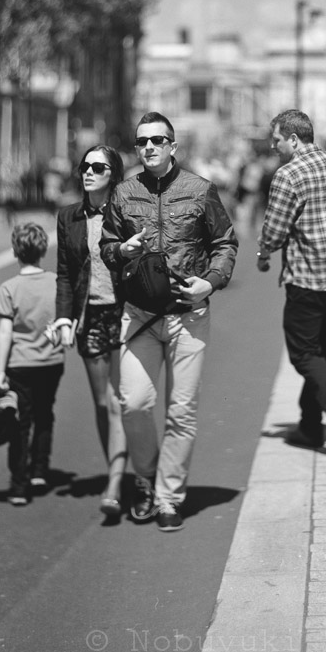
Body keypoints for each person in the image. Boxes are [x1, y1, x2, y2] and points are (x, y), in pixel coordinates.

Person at [100, 112, 238, 532]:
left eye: (158, 140)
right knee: (135, 402)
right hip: (139, 314)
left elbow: (225, 243)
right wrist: (122, 250)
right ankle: (145, 477)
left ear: (173, 146)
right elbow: (107, 248)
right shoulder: (123, 194)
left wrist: (210, 284)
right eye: (142, 142)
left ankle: (168, 497)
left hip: (187, 316)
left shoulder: (200, 190)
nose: (149, 148)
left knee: (181, 412)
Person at [256, 109, 326, 460]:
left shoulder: (287, 175)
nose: (273, 147)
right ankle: (309, 425)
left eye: (276, 140)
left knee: (304, 353)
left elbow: (274, 231)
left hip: (306, 278)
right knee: (318, 348)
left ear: (293, 138)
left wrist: (263, 253)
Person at [51, 146, 128, 520]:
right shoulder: (69, 217)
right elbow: (65, 273)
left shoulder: (126, 212)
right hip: (91, 315)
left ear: (113, 174)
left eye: (98, 167)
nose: (88, 172)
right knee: (102, 403)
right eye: (84, 166)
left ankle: (116, 482)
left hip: (127, 313)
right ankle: (117, 467)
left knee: (121, 402)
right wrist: (63, 318)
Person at [0, 222, 65, 506]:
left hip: (20, 364)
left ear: (15, 251)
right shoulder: (57, 282)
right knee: (44, 413)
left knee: (20, 422)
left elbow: (5, 332)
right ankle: (40, 470)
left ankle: (18, 484)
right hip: (51, 360)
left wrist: (0, 370)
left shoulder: (8, 288)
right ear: (43, 250)